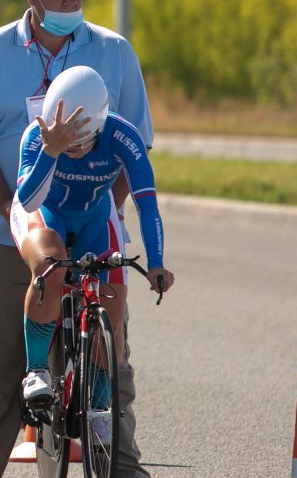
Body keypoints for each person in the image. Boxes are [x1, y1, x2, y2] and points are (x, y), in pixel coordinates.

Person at [0, 0, 159, 478]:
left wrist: (104, 206)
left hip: (89, 220)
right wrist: (17, 210)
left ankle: (123, 471)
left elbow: (136, 141)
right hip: (5, 226)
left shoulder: (113, 50)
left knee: (110, 351)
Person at [10, 66, 174, 418]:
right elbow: (27, 202)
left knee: (113, 304)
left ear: (99, 129)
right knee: (49, 267)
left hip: (95, 218)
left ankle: (99, 407)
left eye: (82, 144)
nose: (75, 151)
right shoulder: (37, 136)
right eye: (68, 143)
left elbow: (147, 203)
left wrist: (157, 262)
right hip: (44, 213)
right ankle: (36, 370)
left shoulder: (122, 136)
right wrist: (51, 152)